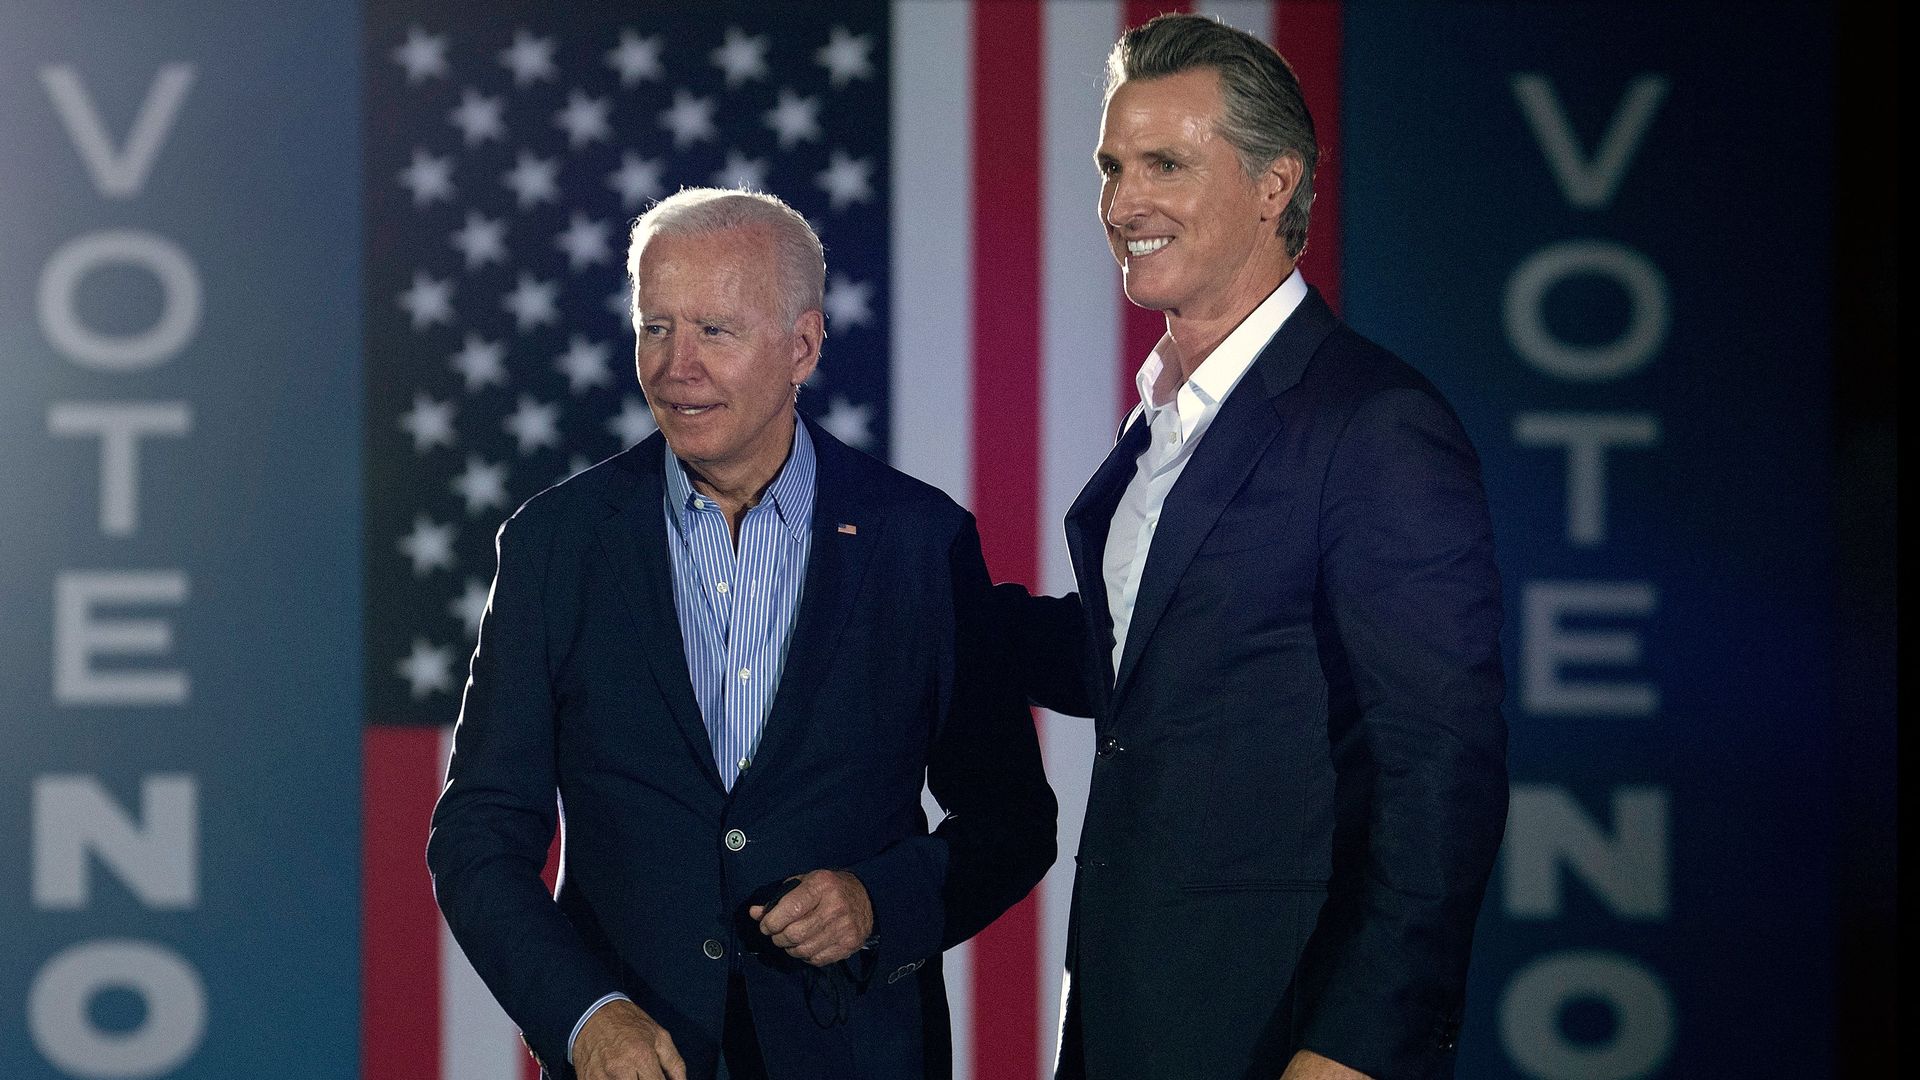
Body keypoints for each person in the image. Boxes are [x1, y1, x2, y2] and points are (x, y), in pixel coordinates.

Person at [429, 187, 1056, 1080]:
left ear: (802, 346)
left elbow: (1012, 819)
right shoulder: (556, 545)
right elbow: (479, 834)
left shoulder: (918, 543)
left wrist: (878, 903)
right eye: (655, 328)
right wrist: (582, 1015)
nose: (676, 367)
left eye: (714, 332)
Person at [997, 15, 1508, 1080]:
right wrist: (911, 591)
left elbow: (1440, 776)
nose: (1123, 202)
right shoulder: (1167, 419)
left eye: (1165, 165)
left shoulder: (1372, 426)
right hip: (1130, 1019)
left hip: (1282, 1033)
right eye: (1112, 166)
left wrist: (1355, 1049)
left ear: (1277, 186)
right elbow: (1147, 672)